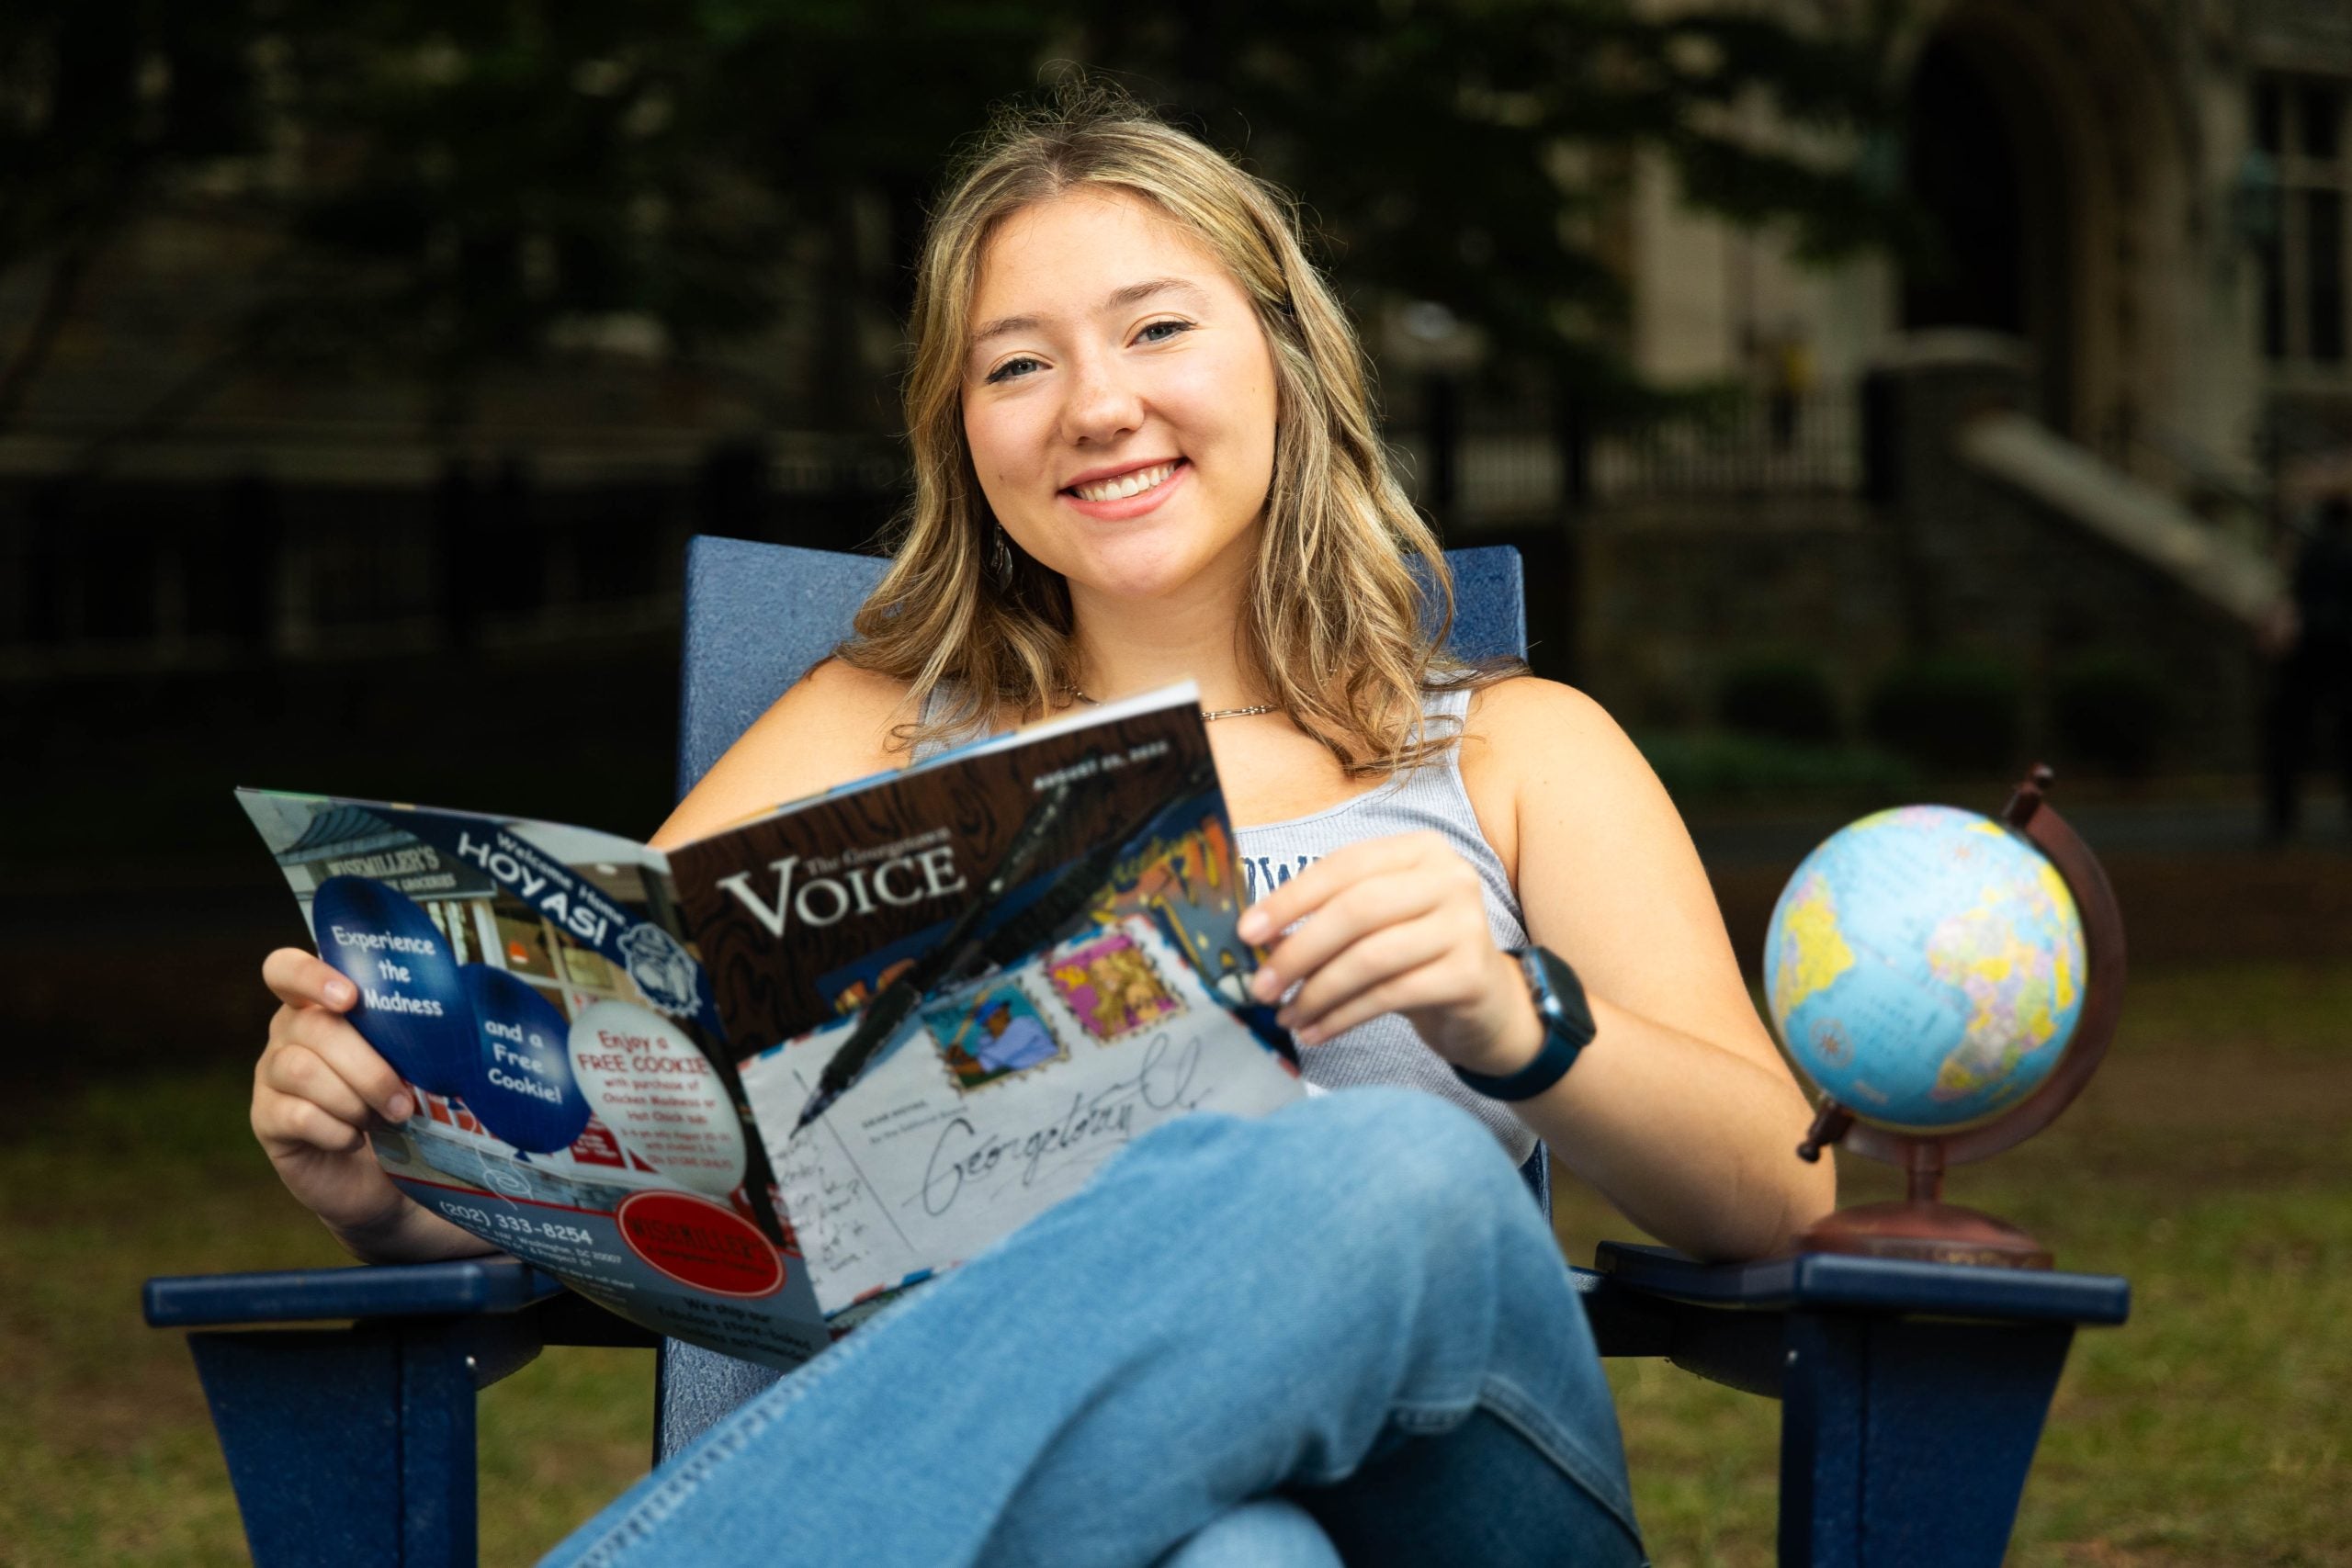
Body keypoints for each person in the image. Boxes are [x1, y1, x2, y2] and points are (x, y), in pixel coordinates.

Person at [247, 86, 1833, 1566]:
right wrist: (385, 1175)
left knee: (1400, 1172)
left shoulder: (1511, 748)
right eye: (1017, 364)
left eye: (1157, 328)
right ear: (964, 434)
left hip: (1450, 1474)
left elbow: (1783, 1195)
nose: (1095, 405)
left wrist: (1511, 1012)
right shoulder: (865, 730)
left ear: (1285, 361)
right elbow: (637, 1104)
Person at [2263, 496, 2352, 842]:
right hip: (2342, 652)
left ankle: (2281, 819)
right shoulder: (2343, 553)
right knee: (2345, 738)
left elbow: (2293, 596)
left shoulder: (2309, 554)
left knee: (2287, 737)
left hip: (2307, 651)